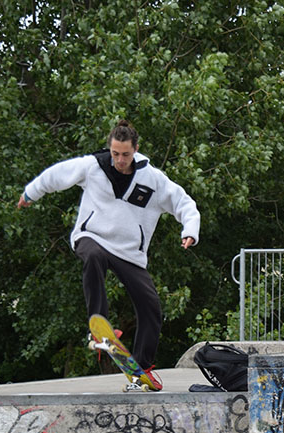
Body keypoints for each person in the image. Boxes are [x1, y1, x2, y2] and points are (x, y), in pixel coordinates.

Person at [18, 120, 200, 390]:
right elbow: (56, 175)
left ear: (135, 150)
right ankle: (99, 326)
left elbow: (183, 202)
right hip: (92, 236)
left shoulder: (153, 179)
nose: (119, 160)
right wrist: (31, 193)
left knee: (151, 308)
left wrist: (190, 230)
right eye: (115, 154)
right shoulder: (92, 167)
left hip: (129, 252)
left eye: (125, 154)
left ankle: (142, 369)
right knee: (93, 257)